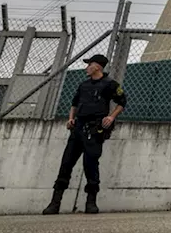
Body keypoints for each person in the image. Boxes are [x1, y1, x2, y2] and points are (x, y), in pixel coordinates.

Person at [43, 54, 127, 215]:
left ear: (98, 67)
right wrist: (71, 119)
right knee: (66, 163)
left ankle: (91, 201)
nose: (86, 67)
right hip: (78, 128)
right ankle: (55, 203)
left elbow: (122, 101)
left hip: (95, 129)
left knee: (91, 164)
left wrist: (111, 116)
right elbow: (74, 104)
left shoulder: (110, 84)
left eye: (90, 65)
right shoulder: (83, 85)